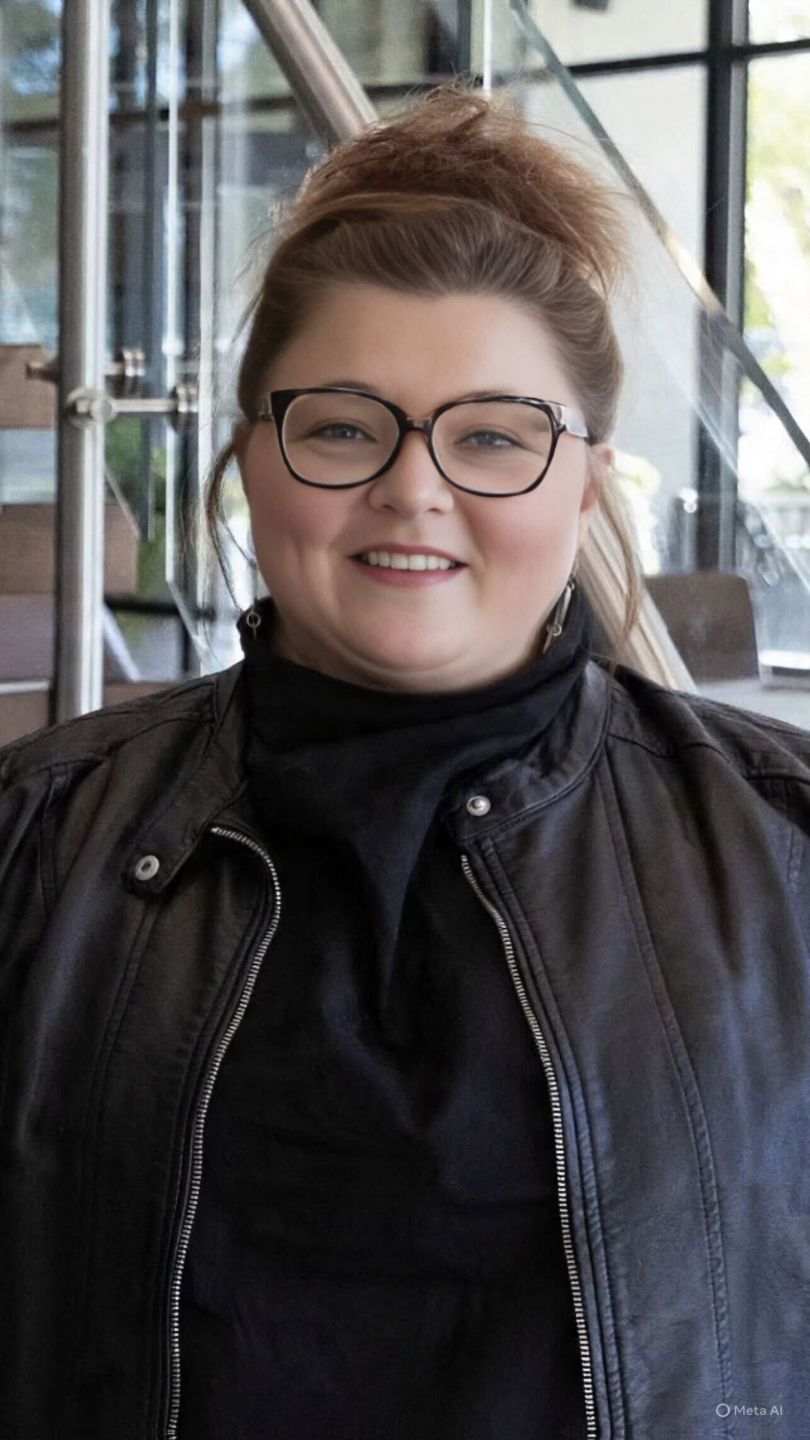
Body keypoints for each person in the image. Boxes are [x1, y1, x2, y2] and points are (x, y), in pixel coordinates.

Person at [1, 81, 808, 1440]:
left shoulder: (782, 848)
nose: (414, 486)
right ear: (251, 459)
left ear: (586, 482)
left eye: (493, 436)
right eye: (341, 426)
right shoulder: (38, 838)